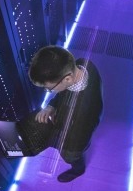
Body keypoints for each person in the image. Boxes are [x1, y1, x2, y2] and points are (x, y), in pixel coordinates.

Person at [28, 45, 103, 182]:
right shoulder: (82, 64)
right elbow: (64, 93)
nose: (49, 90)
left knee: (71, 157)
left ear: (67, 79)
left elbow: (77, 139)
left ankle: (78, 170)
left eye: (49, 88)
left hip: (75, 142)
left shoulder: (85, 110)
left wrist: (47, 139)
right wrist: (51, 106)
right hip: (72, 125)